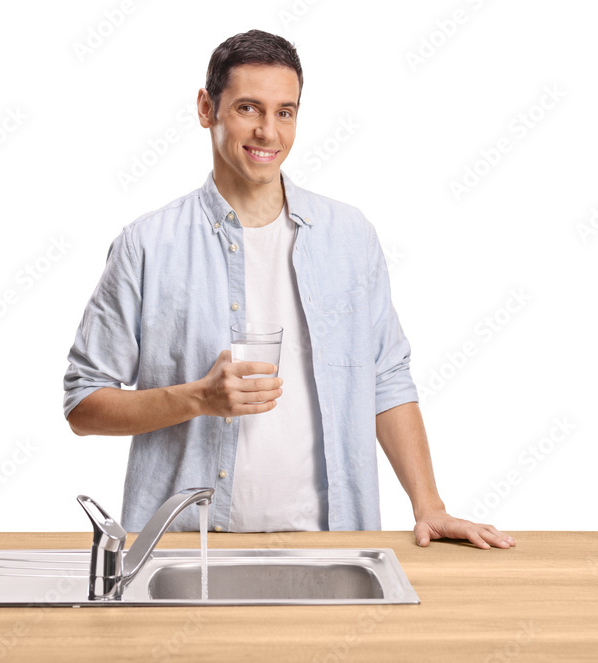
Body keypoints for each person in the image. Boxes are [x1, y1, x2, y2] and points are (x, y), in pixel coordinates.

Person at [63, 29, 514, 549]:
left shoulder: (349, 236)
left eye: (285, 112)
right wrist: (197, 398)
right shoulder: (147, 245)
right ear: (207, 109)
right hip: (189, 545)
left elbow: (386, 378)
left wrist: (428, 505)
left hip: (334, 544)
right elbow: (83, 403)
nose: (267, 133)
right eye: (249, 108)